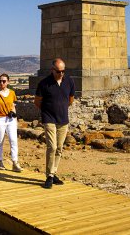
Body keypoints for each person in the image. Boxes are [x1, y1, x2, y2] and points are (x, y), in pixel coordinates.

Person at [34, 58, 75, 189]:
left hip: (63, 119)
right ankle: (49, 176)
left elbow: (70, 99)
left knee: (59, 148)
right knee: (52, 147)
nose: (61, 74)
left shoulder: (69, 81)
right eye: (58, 71)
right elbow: (37, 102)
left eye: (63, 71)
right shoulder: (44, 83)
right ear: (52, 70)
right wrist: (47, 111)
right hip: (49, 118)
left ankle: (53, 172)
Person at [0, 74, 22, 172]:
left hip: (10, 119)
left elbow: (13, 106)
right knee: (0, 141)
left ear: (8, 82)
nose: (2, 83)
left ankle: (15, 162)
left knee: (13, 140)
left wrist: (15, 119)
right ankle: (0, 161)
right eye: (0, 81)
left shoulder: (12, 93)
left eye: (4, 81)